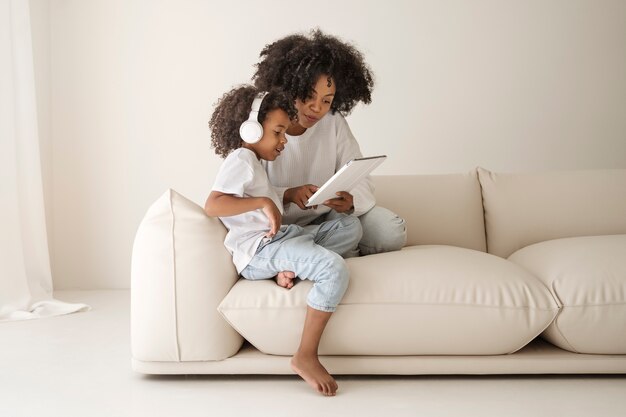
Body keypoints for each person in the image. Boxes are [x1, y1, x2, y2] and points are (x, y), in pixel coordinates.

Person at [204, 85, 362, 396]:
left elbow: (263, 193)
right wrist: (262, 204)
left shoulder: (252, 162)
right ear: (251, 130)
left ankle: (290, 268)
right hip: (260, 250)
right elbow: (214, 204)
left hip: (279, 241)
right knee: (333, 269)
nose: (283, 141)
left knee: (349, 228)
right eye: (278, 132)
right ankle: (305, 355)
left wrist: (286, 195)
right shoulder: (240, 158)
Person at [253, 29, 407, 257]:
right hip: (278, 225)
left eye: (327, 100)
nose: (317, 108)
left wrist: (351, 202)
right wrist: (288, 193)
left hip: (329, 220)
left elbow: (362, 179)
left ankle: (310, 252)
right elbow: (245, 192)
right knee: (339, 233)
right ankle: (324, 250)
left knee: (391, 231)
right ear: (289, 89)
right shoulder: (262, 125)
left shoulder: (334, 122)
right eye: (308, 96)